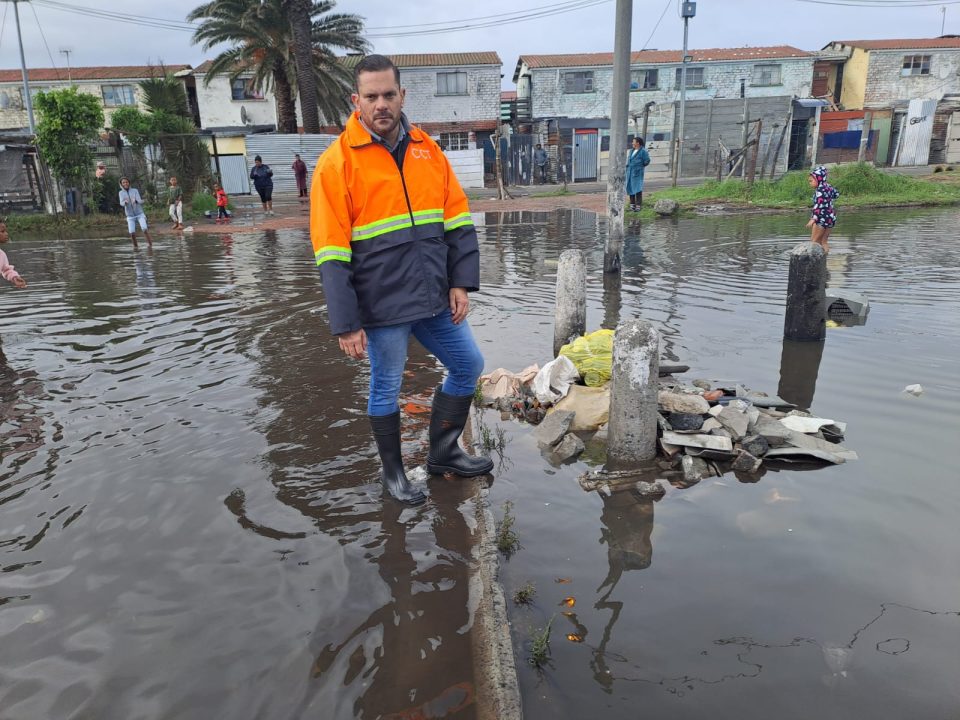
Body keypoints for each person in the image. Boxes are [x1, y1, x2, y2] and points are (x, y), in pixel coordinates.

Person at [310, 54, 492, 506]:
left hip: (434, 295)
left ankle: (443, 453)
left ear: (402, 95)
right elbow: (331, 252)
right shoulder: (336, 165)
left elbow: (457, 221)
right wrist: (346, 322)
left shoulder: (427, 149)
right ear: (356, 101)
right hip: (382, 304)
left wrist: (459, 282)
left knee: (468, 365)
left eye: (389, 94)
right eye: (371, 96)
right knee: (385, 386)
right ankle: (393, 475)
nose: (381, 104)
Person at [806, 165, 839, 254]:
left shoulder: (820, 190)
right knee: (823, 242)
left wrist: (813, 219)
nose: (809, 183)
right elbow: (836, 194)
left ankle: (815, 262)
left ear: (818, 179)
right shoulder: (828, 187)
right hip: (831, 217)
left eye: (811, 181)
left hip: (821, 217)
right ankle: (824, 260)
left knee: (814, 242)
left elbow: (818, 205)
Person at [118, 177, 152, 247]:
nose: (125, 183)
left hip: (139, 214)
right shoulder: (121, 193)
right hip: (130, 216)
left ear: (129, 183)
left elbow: (140, 201)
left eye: (126, 182)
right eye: (123, 182)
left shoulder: (135, 190)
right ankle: (136, 248)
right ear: (121, 184)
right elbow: (121, 203)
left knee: (144, 229)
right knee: (132, 233)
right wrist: (125, 202)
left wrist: (136, 201)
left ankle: (150, 245)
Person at [626, 136, 651, 211]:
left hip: (637, 172)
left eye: (633, 141)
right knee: (631, 188)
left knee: (637, 188)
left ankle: (638, 206)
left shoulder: (643, 151)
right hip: (630, 172)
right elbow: (629, 160)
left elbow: (647, 161)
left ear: (638, 143)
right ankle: (632, 206)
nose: (632, 143)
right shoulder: (631, 150)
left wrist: (640, 166)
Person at [0, 221, 27, 289]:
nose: (6, 234)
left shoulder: (1, 254)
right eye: (2, 231)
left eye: (6, 231)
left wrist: (15, 278)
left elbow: (6, 270)